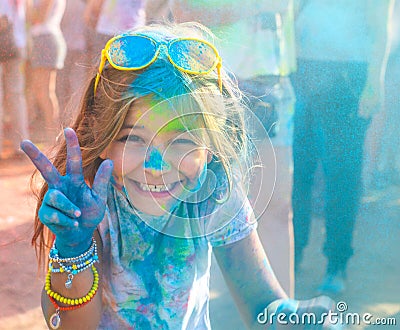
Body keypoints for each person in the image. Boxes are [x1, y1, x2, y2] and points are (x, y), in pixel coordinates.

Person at [21, 23, 333, 329]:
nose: (156, 165)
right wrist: (74, 247)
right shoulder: (89, 205)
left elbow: (262, 304)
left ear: (210, 147)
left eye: (181, 141)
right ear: (100, 136)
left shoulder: (213, 192)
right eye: (133, 138)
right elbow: (70, 326)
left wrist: (295, 320)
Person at [168, 0, 297, 298]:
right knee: (198, 204)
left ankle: (282, 313)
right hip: (212, 84)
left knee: (278, 208)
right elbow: (185, 12)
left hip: (273, 81)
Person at [292, 0, 391, 294]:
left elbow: (380, 26)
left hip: (350, 74)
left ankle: (337, 263)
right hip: (300, 70)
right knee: (297, 173)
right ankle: (292, 253)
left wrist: (375, 82)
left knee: (343, 175)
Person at [26, 0, 66, 142]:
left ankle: (53, 136)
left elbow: (38, 17)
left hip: (46, 39)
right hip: (42, 39)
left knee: (45, 91)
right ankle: (51, 135)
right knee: (40, 90)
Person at [0, 0, 29, 159]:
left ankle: (20, 145)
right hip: (17, 45)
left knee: (13, 96)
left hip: (7, 44)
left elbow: (3, 20)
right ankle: (22, 144)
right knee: (17, 96)